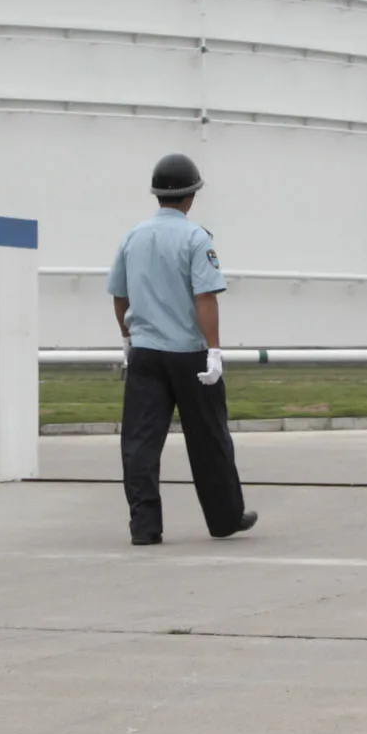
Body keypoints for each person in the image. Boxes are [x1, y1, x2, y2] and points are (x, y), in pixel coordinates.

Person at [107, 152, 256, 547]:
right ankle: (225, 518)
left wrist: (127, 338)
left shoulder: (132, 237)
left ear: (157, 195)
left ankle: (144, 526)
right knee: (209, 440)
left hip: (145, 354)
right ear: (190, 197)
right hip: (189, 356)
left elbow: (120, 296)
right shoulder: (195, 238)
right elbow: (205, 296)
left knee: (139, 443)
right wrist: (215, 350)